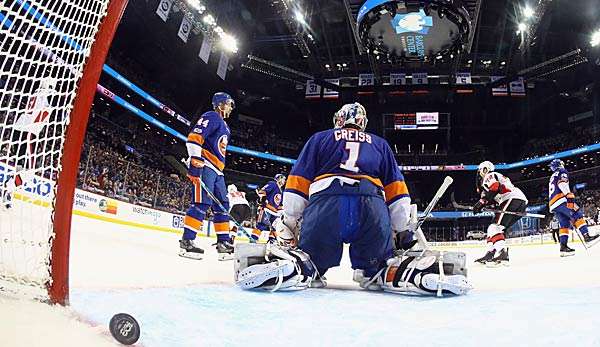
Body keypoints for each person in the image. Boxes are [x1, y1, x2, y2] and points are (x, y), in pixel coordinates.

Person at [234, 103, 470, 296]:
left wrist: (289, 221)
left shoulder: (320, 139)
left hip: (326, 207)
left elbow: (297, 184)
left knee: (310, 263)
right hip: (371, 208)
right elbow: (398, 193)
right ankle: (413, 273)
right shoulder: (380, 144)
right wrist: (402, 231)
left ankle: (293, 268)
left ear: (339, 120)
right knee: (379, 269)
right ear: (363, 124)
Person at [179, 92, 235, 260]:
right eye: (228, 103)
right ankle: (187, 242)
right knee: (201, 203)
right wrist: (195, 164)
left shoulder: (226, 127)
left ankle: (223, 244)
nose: (231, 107)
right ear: (219, 104)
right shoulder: (211, 116)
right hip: (206, 166)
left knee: (223, 206)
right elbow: (194, 138)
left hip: (218, 171)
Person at [2, 78, 56, 210]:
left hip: (18, 130)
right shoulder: (43, 99)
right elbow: (42, 116)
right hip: (27, 133)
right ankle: (6, 187)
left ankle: (8, 194)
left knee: (19, 169)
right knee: (30, 172)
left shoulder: (36, 95)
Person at [473, 161, 528, 265]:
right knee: (492, 229)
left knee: (495, 227)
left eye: (480, 170)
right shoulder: (496, 176)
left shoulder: (489, 175)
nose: (479, 173)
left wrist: (481, 203)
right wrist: (484, 204)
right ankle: (490, 253)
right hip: (518, 201)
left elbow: (495, 187)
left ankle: (503, 253)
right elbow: (494, 195)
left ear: (484, 169)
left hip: (512, 199)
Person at [548, 159, 599, 256]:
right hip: (561, 200)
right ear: (560, 165)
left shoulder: (552, 176)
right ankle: (587, 237)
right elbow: (562, 183)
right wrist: (569, 197)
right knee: (577, 214)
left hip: (553, 204)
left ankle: (563, 247)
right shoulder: (562, 171)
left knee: (564, 224)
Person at [251, 174, 286, 243]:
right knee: (261, 226)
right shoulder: (273, 184)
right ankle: (253, 240)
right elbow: (262, 192)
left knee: (275, 228)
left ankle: (272, 242)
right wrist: (262, 199)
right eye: (283, 179)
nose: (284, 181)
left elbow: (279, 205)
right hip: (266, 209)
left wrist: (284, 209)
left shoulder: (281, 191)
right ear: (279, 178)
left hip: (275, 213)